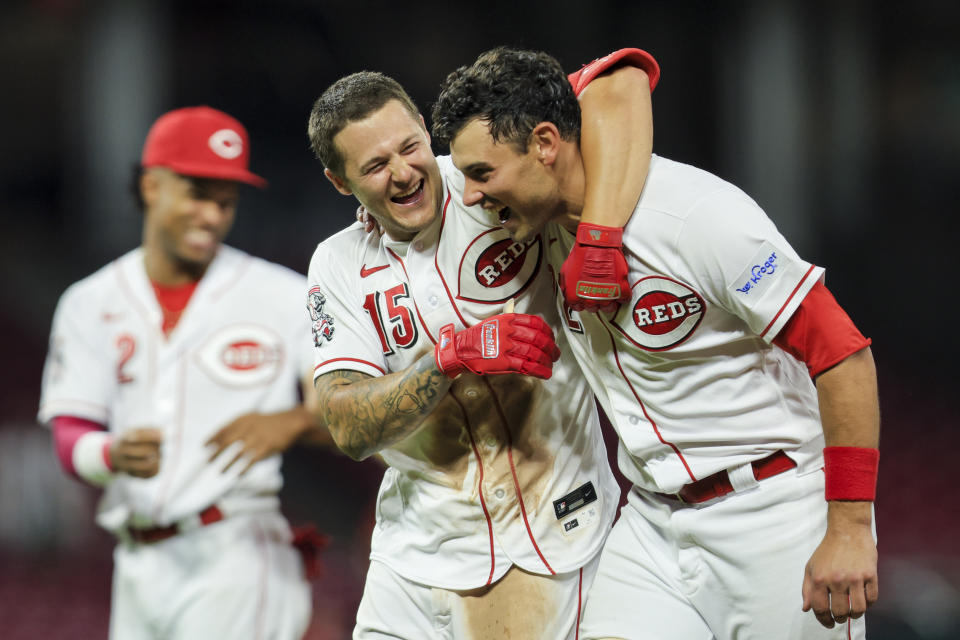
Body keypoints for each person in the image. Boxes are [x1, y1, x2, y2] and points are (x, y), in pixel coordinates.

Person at [432, 47, 880, 640]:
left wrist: (849, 526)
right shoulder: (545, 228)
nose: (469, 195)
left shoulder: (694, 216)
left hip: (771, 511)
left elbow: (843, 356)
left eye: (482, 173)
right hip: (650, 521)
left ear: (545, 143)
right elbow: (606, 89)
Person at [305, 49, 658, 639]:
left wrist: (596, 241)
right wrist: (447, 360)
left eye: (410, 147)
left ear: (425, 127)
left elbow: (620, 85)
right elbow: (348, 427)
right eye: (374, 166)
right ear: (338, 181)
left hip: (549, 536)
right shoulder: (337, 264)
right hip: (413, 552)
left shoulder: (496, 174)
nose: (402, 172)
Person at [38, 106, 330, 640]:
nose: (213, 216)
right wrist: (109, 454)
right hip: (137, 560)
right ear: (151, 186)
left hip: (236, 550)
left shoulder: (285, 295)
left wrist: (294, 420)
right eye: (198, 194)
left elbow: (349, 413)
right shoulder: (89, 301)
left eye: (227, 201)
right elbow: (69, 435)